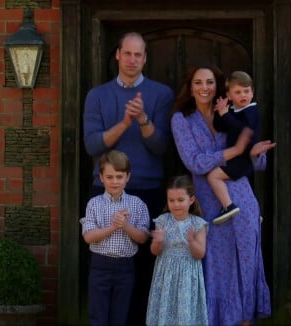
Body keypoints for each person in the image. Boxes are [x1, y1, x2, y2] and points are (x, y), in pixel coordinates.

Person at [170, 65, 276, 326]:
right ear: (190, 86)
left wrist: (252, 152)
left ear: (218, 87)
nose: (204, 87)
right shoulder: (182, 119)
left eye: (209, 82)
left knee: (246, 267)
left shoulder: (235, 112)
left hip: (243, 200)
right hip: (211, 207)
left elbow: (258, 164)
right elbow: (194, 162)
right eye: (198, 82)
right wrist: (234, 151)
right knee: (216, 270)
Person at [82, 32, 174, 325]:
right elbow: (93, 146)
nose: (133, 59)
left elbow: (161, 146)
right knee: (103, 265)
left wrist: (143, 120)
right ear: (118, 55)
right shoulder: (97, 95)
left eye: (139, 55)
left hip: (146, 189)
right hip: (105, 190)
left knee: (144, 267)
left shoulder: (161, 94)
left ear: (145, 58)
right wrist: (123, 123)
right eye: (128, 53)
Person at [79, 150, 150, 326]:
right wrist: (113, 227)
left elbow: (143, 237)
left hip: (125, 267)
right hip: (100, 265)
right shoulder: (94, 203)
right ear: (101, 177)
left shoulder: (137, 203)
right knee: (98, 316)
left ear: (128, 177)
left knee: (120, 317)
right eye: (109, 177)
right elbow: (88, 236)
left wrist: (125, 226)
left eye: (119, 176)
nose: (115, 181)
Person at [146, 175, 209, 326]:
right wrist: (158, 240)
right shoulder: (162, 220)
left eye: (180, 200)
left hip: (188, 275)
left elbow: (200, 253)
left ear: (191, 200)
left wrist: (192, 241)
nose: (176, 204)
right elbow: (155, 251)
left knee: (184, 315)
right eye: (171, 200)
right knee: (164, 312)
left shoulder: (198, 224)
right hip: (166, 274)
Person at [209, 70, 262, 224]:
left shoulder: (251, 111)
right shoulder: (234, 110)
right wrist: (220, 112)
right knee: (241, 188)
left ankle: (228, 206)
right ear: (229, 95)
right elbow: (220, 127)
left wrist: (226, 115)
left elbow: (243, 130)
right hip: (235, 159)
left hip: (243, 159)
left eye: (246, 91)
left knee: (213, 176)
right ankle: (253, 212)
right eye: (237, 92)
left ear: (252, 92)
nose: (243, 95)